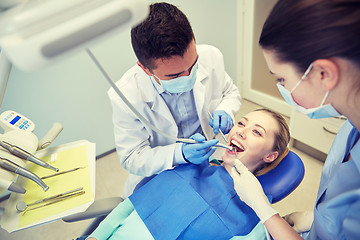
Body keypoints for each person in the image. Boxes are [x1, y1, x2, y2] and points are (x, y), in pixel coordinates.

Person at [230, 0, 360, 239]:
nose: (282, 88)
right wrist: (316, 219)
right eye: (241, 123)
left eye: (281, 79)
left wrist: (265, 212)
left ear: (323, 74)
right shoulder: (350, 130)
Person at [80, 108, 291, 240]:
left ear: (270, 156)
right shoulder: (188, 167)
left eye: (257, 132)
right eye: (241, 123)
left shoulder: (256, 217)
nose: (241, 131)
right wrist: (96, 236)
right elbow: (128, 207)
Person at [108, 2, 241, 199]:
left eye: (193, 65)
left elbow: (230, 92)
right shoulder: (125, 96)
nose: (188, 76)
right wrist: (180, 154)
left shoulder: (212, 56)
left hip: (209, 164)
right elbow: (131, 157)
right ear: (145, 69)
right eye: (174, 75)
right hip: (161, 177)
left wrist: (226, 110)